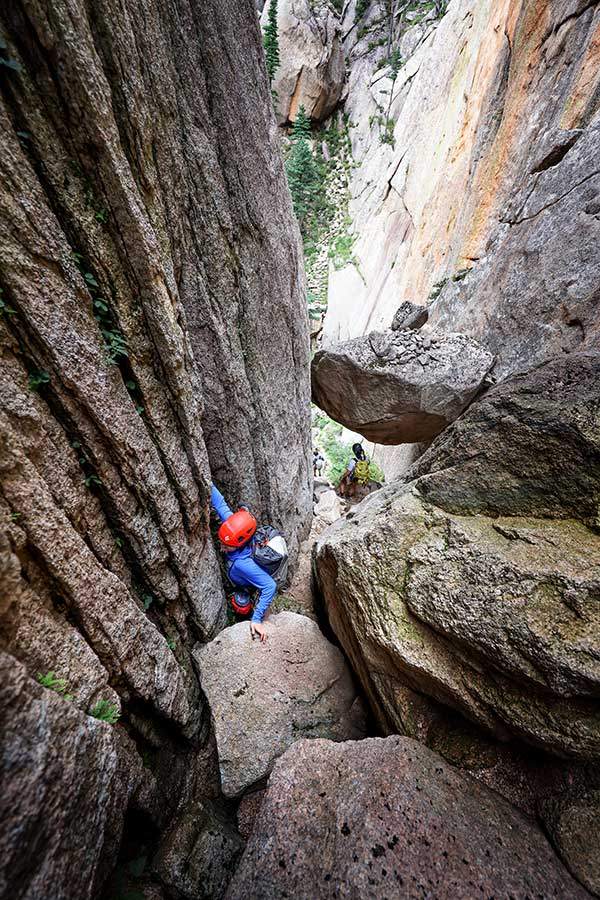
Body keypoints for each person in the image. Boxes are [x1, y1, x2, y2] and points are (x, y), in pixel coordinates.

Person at [211, 483, 275, 642]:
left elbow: (270, 586)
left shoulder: (243, 564)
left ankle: (245, 615)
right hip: (245, 575)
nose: (222, 547)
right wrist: (208, 483)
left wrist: (257, 619)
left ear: (240, 544)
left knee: (241, 604)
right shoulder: (234, 528)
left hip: (246, 584)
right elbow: (220, 504)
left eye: (227, 546)